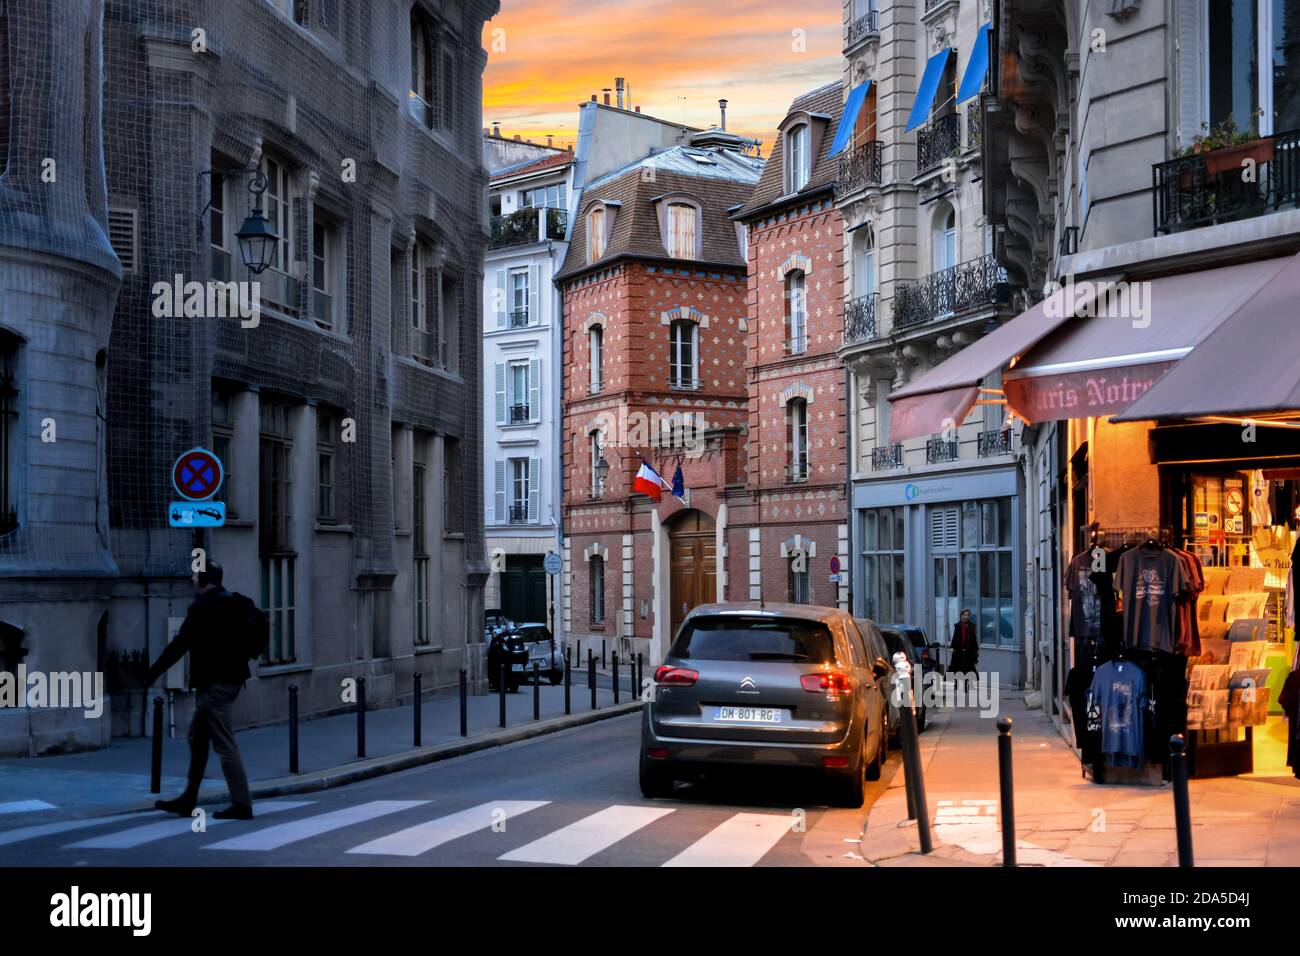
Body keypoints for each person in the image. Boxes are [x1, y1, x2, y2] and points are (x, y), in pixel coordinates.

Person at [145, 560, 254, 820]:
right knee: (197, 738)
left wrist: (151, 673)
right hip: (232, 681)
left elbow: (180, 645)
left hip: (215, 687)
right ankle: (188, 799)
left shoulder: (201, 608)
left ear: (203, 581)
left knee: (224, 744)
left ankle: (242, 804)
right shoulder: (237, 603)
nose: (193, 583)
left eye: (195, 578)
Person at [949, 608, 979, 677]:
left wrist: (976, 650)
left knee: (969, 668)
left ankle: (968, 682)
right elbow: (955, 637)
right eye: (965, 615)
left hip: (969, 651)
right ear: (961, 615)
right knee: (956, 668)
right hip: (958, 650)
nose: (966, 617)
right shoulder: (958, 626)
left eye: (968, 615)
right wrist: (952, 647)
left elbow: (974, 639)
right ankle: (956, 683)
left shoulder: (972, 626)